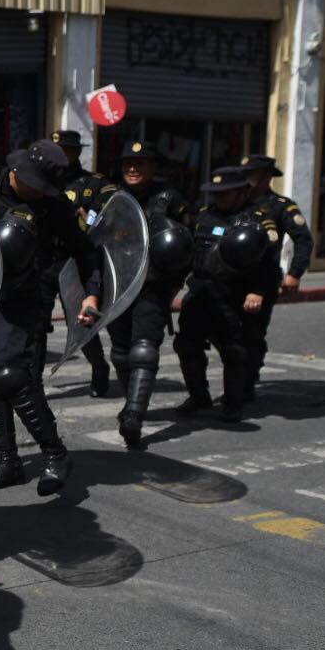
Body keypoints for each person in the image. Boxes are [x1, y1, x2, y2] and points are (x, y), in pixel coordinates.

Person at [0, 140, 102, 496]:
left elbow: (85, 252)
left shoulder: (53, 207)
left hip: (23, 298)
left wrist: (91, 294)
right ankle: (7, 461)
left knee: (12, 376)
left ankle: (55, 454)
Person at [174, 166, 281, 422]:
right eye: (215, 194)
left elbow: (269, 264)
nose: (219, 199)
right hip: (200, 290)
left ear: (241, 192)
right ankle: (199, 396)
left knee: (233, 349)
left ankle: (233, 403)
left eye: (225, 194)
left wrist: (257, 291)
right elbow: (186, 252)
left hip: (233, 293)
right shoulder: (202, 216)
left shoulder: (256, 220)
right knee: (186, 344)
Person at [105, 142, 193, 448]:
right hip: (117, 285)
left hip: (152, 285)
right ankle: (131, 399)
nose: (133, 168)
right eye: (128, 162)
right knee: (119, 351)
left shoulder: (170, 199)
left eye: (141, 163)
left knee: (143, 348)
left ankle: (134, 415)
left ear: (154, 168)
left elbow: (186, 244)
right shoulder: (112, 196)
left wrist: (175, 284)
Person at [45, 130, 117, 396]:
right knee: (36, 321)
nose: (60, 154)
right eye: (56, 149)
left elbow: (110, 217)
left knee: (81, 322)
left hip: (75, 260)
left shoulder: (93, 183)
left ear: (76, 152)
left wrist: (88, 221)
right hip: (45, 259)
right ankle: (30, 381)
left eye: (66, 149)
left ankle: (99, 367)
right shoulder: (41, 179)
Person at [239, 154, 313, 394]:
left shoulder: (281, 205)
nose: (247, 177)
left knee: (252, 333)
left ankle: (247, 380)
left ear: (267, 176)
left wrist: (295, 273)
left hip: (263, 278)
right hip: (232, 278)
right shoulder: (235, 200)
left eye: (253, 172)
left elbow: (303, 239)